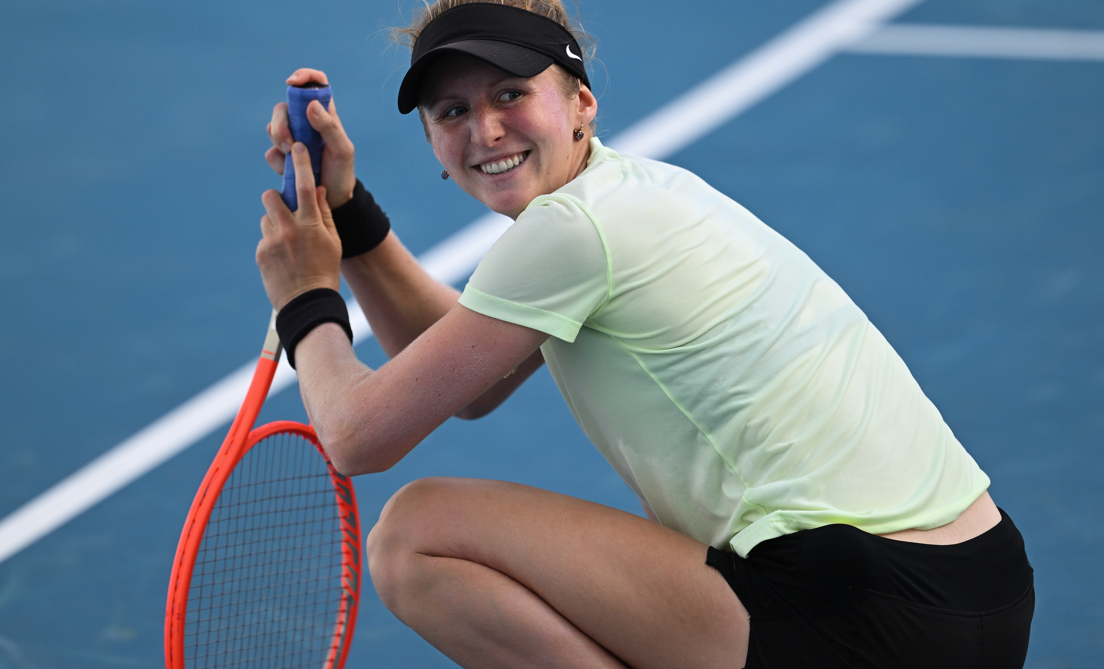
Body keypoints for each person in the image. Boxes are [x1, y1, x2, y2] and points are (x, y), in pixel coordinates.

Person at [255, 1, 1034, 666]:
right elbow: (473, 381)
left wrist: (305, 296)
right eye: (452, 112)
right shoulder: (635, 194)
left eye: (511, 93)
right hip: (979, 588)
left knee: (414, 539)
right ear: (431, 142)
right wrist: (348, 216)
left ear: (581, 103)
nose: (485, 129)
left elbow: (356, 438)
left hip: (869, 611)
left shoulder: (570, 233)